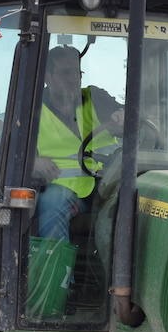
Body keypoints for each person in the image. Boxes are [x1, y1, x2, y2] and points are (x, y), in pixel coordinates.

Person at [31, 46, 120, 242]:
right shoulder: (31, 108)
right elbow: (2, 154)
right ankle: (58, 271)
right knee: (54, 200)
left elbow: (129, 120)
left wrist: (122, 118)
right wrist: (32, 163)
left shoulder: (95, 98)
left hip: (108, 186)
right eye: (65, 73)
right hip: (63, 191)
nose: (74, 79)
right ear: (47, 77)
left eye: (77, 73)